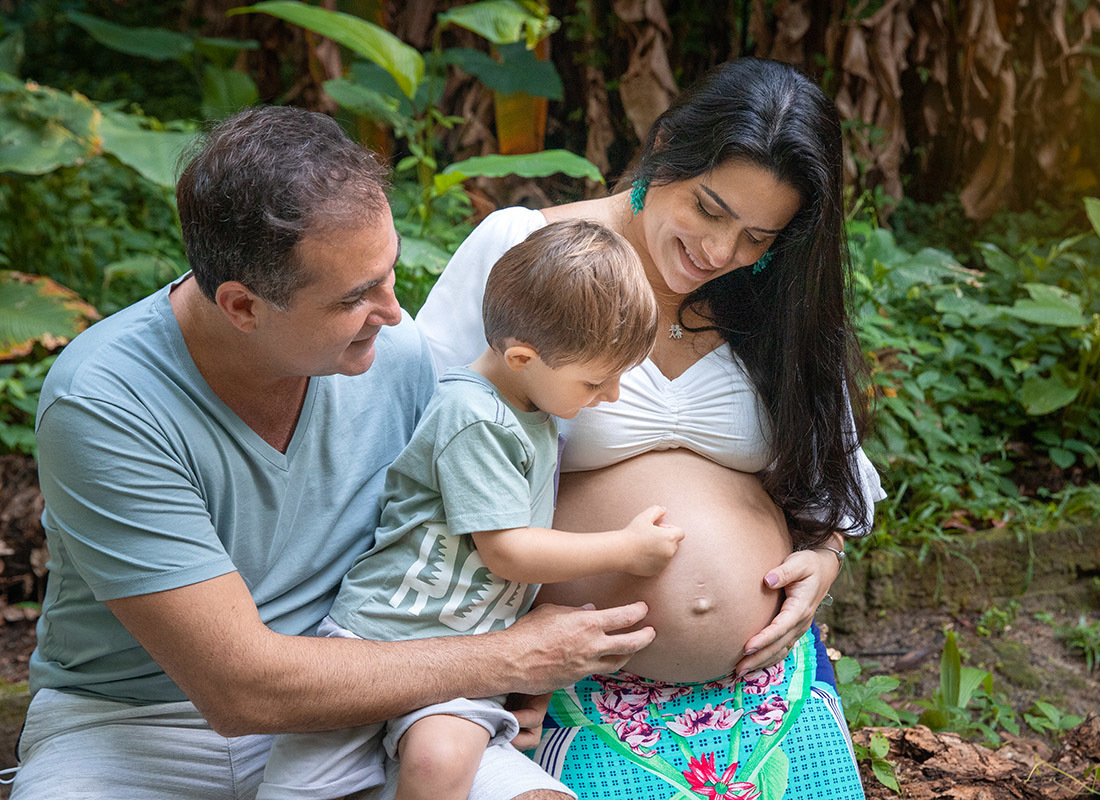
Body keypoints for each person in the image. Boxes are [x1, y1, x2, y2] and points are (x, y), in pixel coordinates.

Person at [9, 106, 657, 800]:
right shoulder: (107, 401)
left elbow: (461, 533)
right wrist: (508, 658)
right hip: (138, 726)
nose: (394, 311)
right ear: (242, 307)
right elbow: (240, 690)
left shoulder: (396, 357)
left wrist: (502, 670)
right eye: (357, 296)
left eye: (389, 273)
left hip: (371, 698)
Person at [416, 57, 887, 799]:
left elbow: (838, 469)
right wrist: (495, 653)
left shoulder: (776, 302)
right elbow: (411, 439)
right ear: (665, 145)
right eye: (709, 209)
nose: (721, 253)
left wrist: (823, 561)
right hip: (556, 675)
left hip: (765, 692)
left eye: (758, 236)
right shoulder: (526, 249)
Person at [256, 219, 683, 800]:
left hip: (469, 659)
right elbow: (508, 550)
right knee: (298, 787)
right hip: (377, 640)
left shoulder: (532, 407)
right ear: (523, 357)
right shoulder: (474, 414)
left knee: (441, 756)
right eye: (595, 382)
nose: (609, 397)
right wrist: (625, 548)